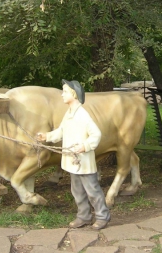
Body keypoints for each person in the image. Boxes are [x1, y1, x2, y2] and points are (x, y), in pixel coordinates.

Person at [37, 80, 111, 230]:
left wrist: (85, 146)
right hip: (73, 161)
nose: (62, 94)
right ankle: (84, 216)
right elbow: (61, 131)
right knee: (77, 191)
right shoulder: (69, 114)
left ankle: (103, 217)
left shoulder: (82, 115)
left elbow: (96, 134)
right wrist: (47, 136)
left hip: (83, 161)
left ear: (73, 94)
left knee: (92, 190)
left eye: (64, 91)